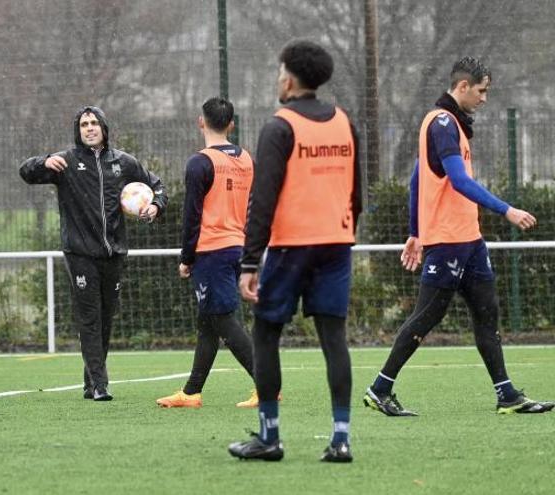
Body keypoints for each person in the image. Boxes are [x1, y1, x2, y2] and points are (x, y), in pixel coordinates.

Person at [363, 57, 554, 417]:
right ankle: (379, 389)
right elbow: (458, 181)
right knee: (426, 316)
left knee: (487, 313)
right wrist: (506, 210)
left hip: (469, 240)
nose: (484, 98)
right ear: (462, 86)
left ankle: (507, 395)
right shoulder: (441, 123)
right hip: (449, 241)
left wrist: (414, 232)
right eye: (481, 91)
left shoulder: (454, 125)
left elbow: (418, 179)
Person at [228, 40, 362, 463]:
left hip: (291, 246)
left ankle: (270, 438)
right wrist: (344, 230)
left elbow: (262, 199)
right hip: (337, 244)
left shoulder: (279, 126)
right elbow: (357, 192)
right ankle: (341, 439)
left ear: (288, 78)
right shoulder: (345, 122)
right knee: (333, 338)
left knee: (266, 333)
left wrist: (250, 261)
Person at [20, 106, 168, 401]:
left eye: (94, 123)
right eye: (84, 124)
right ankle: (101, 384)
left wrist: (155, 205)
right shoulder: (66, 162)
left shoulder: (123, 162)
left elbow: (158, 187)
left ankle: (90, 381)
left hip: (114, 252)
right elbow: (26, 172)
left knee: (105, 318)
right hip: (79, 252)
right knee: (89, 317)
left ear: (104, 128)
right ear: (78, 130)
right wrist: (43, 161)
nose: (89, 128)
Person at [155, 97, 258, 409]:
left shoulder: (200, 162)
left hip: (211, 250)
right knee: (207, 323)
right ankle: (191, 392)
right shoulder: (246, 159)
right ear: (231, 125)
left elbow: (192, 216)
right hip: (237, 245)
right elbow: (253, 207)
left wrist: (187, 258)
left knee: (223, 320)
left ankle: (267, 384)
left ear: (201, 122)